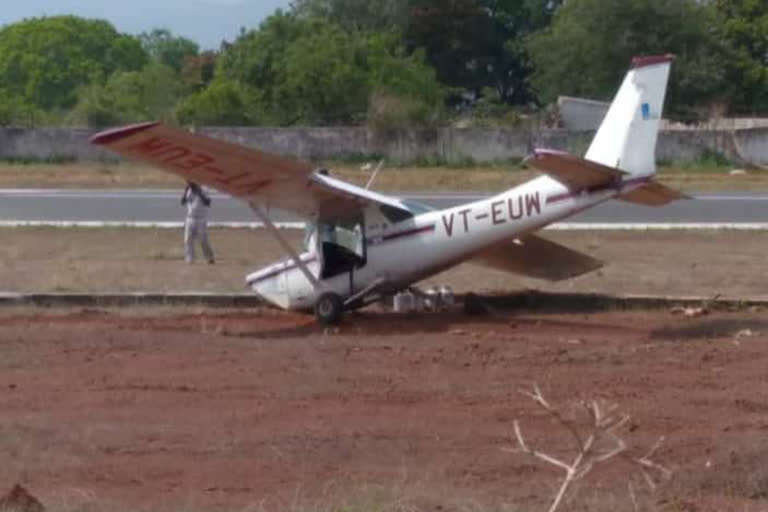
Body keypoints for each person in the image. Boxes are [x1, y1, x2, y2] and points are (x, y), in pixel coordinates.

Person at [181, 181, 215, 264]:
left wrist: (199, 193)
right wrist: (186, 192)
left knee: (203, 240)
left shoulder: (204, 189)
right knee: (187, 240)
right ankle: (190, 258)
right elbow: (182, 202)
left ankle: (209, 257)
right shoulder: (188, 190)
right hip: (190, 218)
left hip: (201, 219)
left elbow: (208, 202)